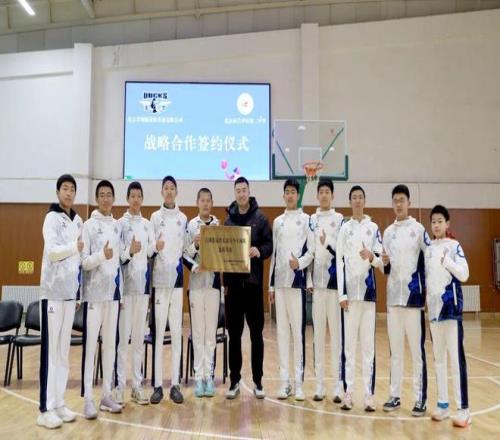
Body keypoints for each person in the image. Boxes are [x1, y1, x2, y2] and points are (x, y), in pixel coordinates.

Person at [38, 174, 83, 429]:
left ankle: (58, 403)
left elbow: (78, 262)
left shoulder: (78, 220)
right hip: (52, 294)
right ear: (58, 192)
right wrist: (75, 247)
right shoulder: (51, 218)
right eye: (65, 188)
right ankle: (44, 409)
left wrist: (77, 292)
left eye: (72, 189)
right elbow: (53, 253)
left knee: (64, 353)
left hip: (69, 296)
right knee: (51, 353)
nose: (69, 192)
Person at [223, 177, 273, 399]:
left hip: (253, 286)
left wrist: (259, 251)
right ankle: (234, 380)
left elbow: (269, 245)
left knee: (256, 335)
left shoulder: (260, 218)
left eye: (244, 190)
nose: (241, 194)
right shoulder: (228, 221)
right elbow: (223, 254)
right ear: (234, 194)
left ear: (249, 192)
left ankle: (258, 381)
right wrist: (225, 284)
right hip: (233, 288)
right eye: (238, 190)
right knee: (234, 335)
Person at [382, 184, 429, 416]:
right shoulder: (388, 232)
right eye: (395, 200)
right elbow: (386, 267)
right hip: (393, 300)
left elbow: (429, 259)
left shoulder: (419, 230)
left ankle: (420, 398)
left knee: (417, 351)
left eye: (402, 200)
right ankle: (395, 395)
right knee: (396, 352)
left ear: (409, 203)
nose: (398, 204)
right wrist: (383, 262)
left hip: (414, 300)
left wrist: (427, 292)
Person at [336, 185, 383, 412]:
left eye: (360, 197)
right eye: (354, 197)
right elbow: (339, 261)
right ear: (350, 201)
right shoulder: (344, 228)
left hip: (368, 296)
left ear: (365, 201)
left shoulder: (373, 228)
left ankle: (368, 395)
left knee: (368, 348)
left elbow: (381, 262)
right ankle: (348, 393)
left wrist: (371, 256)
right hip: (349, 298)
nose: (357, 200)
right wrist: (341, 294)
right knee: (349, 348)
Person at [425, 205, 471, 427]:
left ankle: (463, 409)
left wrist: (448, 262)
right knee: (439, 360)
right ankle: (443, 404)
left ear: (447, 223)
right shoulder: (428, 249)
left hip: (451, 310)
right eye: (433, 221)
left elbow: (464, 274)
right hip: (434, 313)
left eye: (440, 221)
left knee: (455, 359)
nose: (436, 225)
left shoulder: (454, 246)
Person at [268, 179, 314, 401]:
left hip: (297, 283)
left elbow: (311, 252)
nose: (289, 195)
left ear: (298, 195)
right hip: (280, 284)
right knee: (282, 334)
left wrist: (300, 264)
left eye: (293, 192)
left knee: (298, 333)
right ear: (283, 195)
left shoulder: (306, 220)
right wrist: (270, 285)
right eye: (286, 192)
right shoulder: (277, 222)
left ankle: (298, 384)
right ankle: (284, 383)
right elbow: (275, 254)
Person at [81, 180, 123, 418]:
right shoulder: (88, 226)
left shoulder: (117, 226)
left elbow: (118, 264)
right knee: (90, 347)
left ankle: (107, 395)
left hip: (113, 296)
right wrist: (101, 255)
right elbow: (84, 262)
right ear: (97, 199)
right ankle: (88, 398)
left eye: (109, 195)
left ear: (114, 199)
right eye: (102, 195)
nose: (106, 198)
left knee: (109, 346)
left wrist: (121, 293)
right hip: (94, 296)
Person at [113, 181, 156, 406]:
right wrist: (129, 251)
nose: (136, 199)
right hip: (126, 291)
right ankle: (120, 387)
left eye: (139, 196)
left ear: (142, 198)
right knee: (123, 341)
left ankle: (137, 387)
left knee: (139, 341)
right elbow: (119, 257)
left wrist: (157, 247)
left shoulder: (148, 225)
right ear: (127, 198)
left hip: (143, 291)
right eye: (133, 196)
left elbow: (150, 252)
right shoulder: (120, 224)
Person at [149, 175, 187, 404]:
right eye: (166, 188)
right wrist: (155, 246)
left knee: (176, 333)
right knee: (158, 333)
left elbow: (186, 250)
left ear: (176, 192)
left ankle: (175, 384)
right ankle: (157, 385)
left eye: (172, 188)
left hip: (178, 282)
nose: (169, 191)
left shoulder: (183, 219)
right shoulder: (154, 218)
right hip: (160, 282)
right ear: (162, 192)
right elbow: (149, 249)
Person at [307, 178, 344, 403]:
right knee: (318, 337)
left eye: (327, 192)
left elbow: (341, 250)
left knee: (336, 337)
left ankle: (338, 385)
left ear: (332, 195)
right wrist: (308, 278)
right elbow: (310, 251)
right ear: (317, 195)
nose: (324, 195)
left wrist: (327, 240)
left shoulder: (340, 219)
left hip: (334, 286)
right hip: (318, 288)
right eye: (321, 192)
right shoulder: (311, 219)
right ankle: (319, 385)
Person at [183, 188, 221, 398]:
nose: (205, 204)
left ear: (212, 203)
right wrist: (196, 246)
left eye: (208, 200)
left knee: (210, 334)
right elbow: (184, 254)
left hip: (213, 285)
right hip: (196, 284)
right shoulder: (190, 225)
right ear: (197, 202)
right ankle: (198, 378)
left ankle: (209, 377)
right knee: (198, 333)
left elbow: (223, 253)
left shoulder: (218, 225)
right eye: (202, 200)